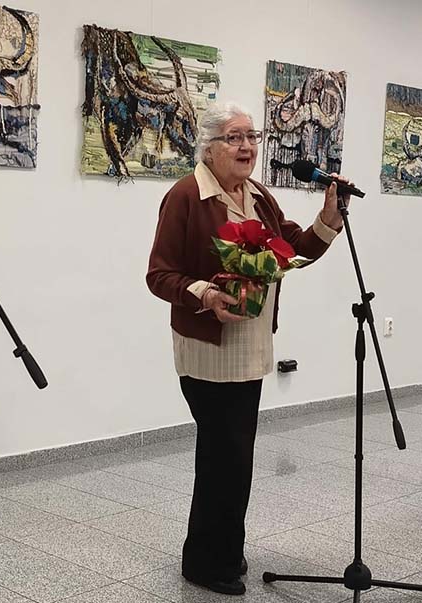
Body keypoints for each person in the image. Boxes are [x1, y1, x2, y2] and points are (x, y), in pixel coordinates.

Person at [146, 102, 350, 596]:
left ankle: (224, 550)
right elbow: (159, 274)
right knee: (224, 457)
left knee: (236, 458)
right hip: (209, 350)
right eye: (234, 138)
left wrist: (328, 217)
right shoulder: (186, 195)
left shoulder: (257, 195)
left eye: (251, 137)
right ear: (209, 148)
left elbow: (294, 247)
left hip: (252, 347)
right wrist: (206, 294)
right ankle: (205, 563)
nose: (247, 147)